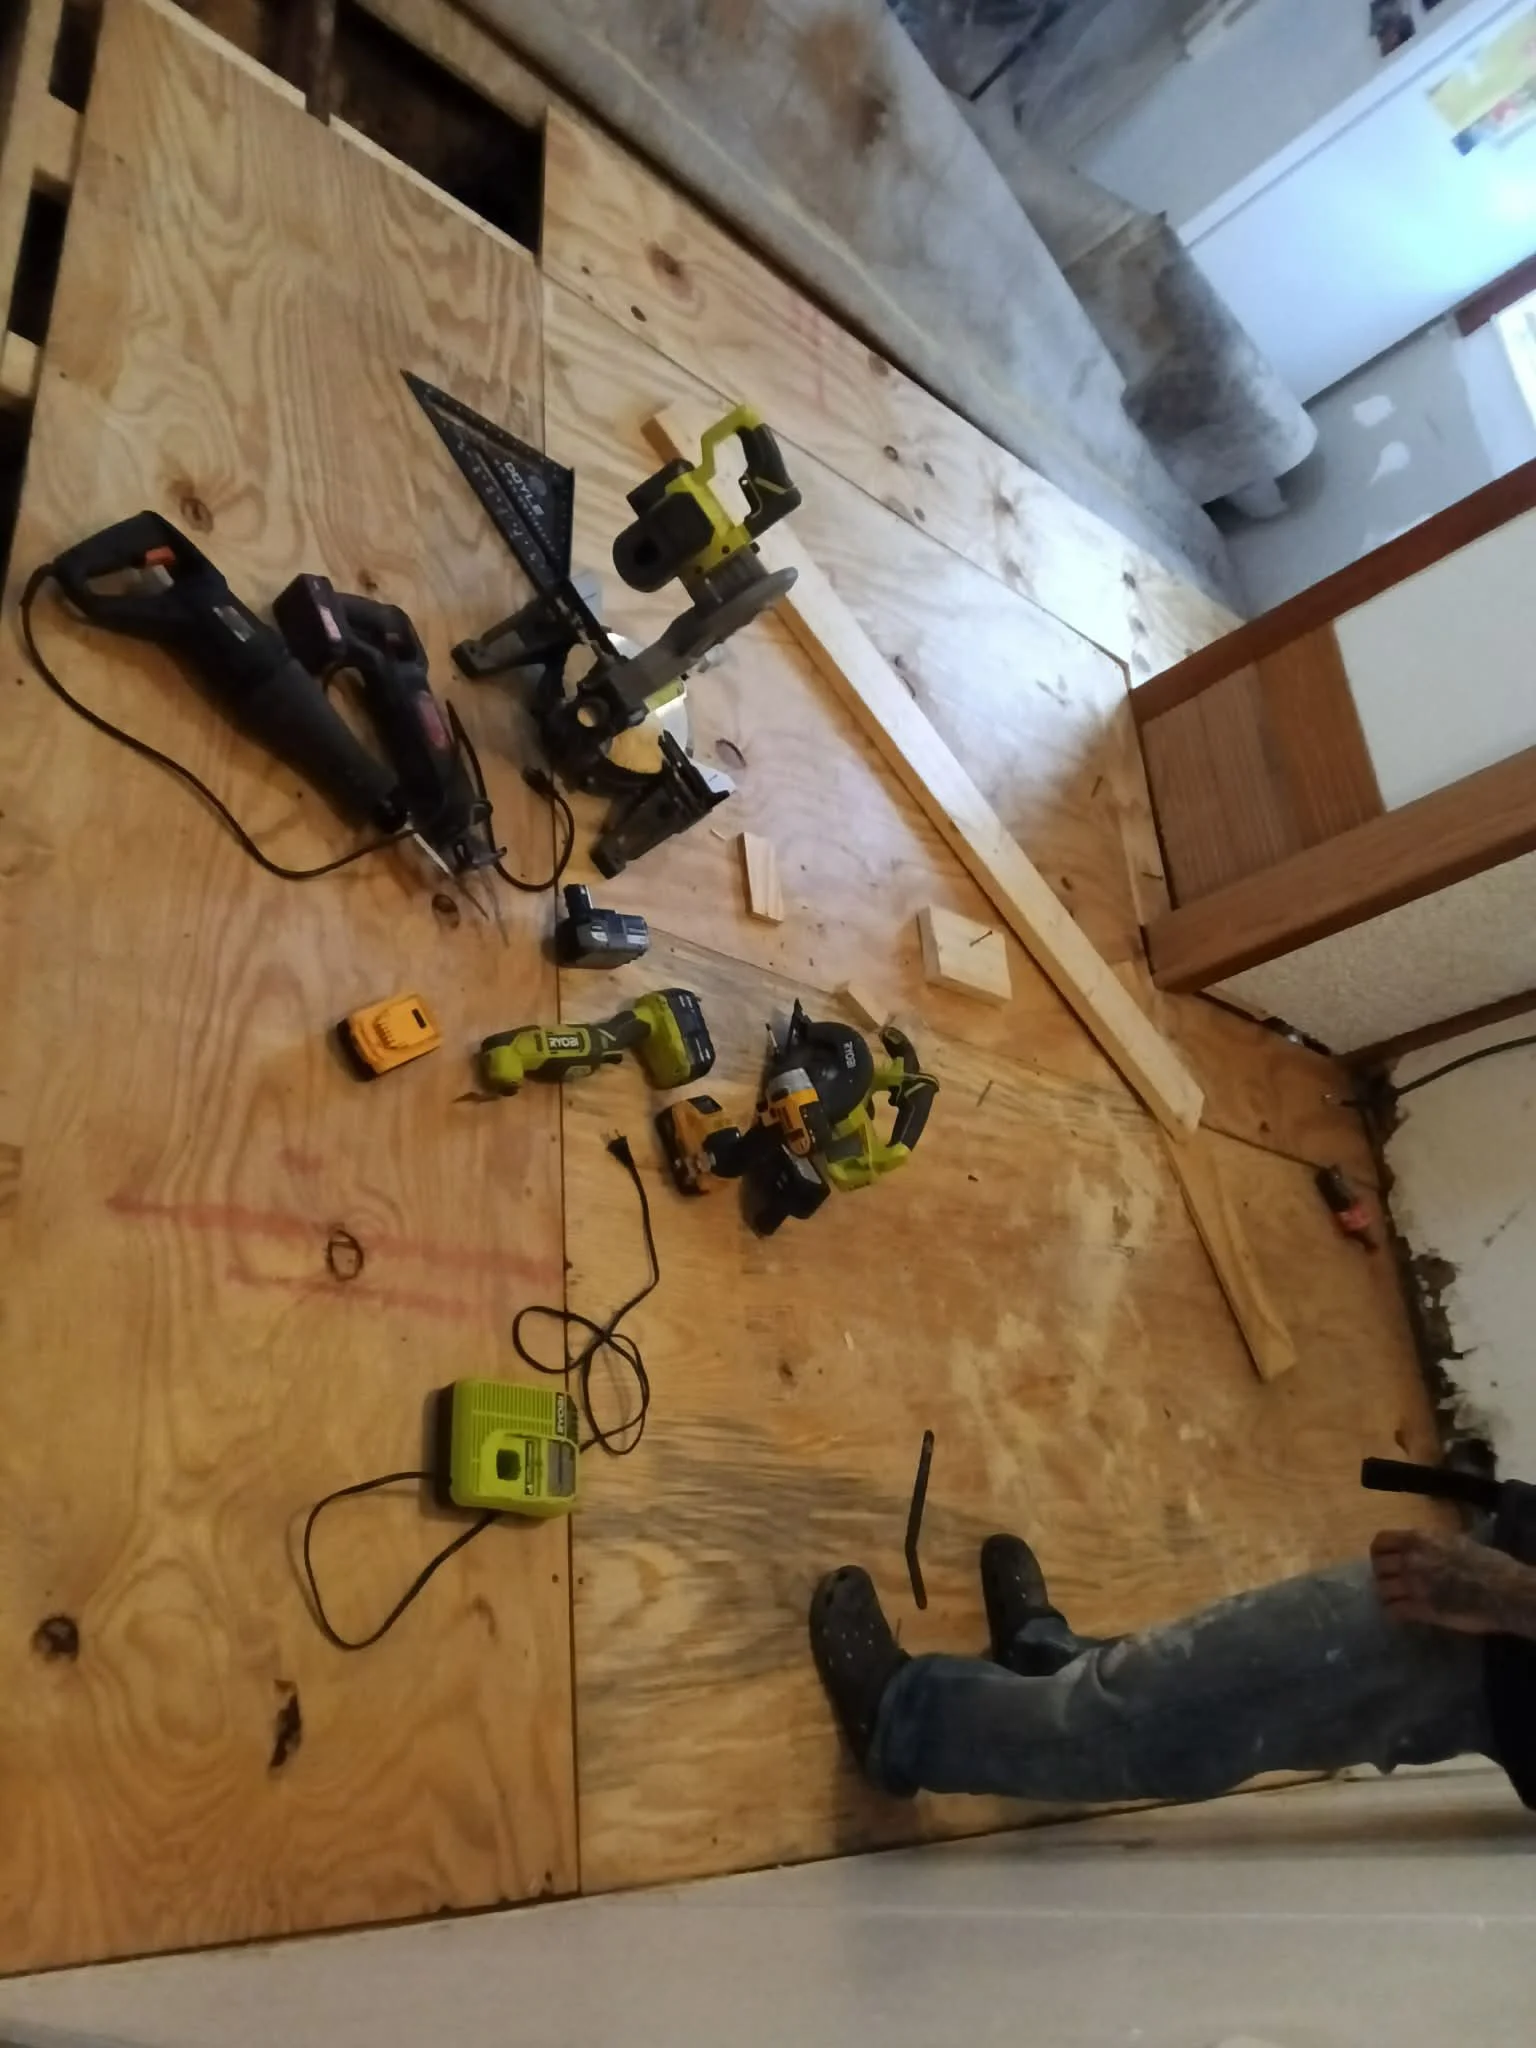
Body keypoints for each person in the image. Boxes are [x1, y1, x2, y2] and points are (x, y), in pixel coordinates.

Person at [808, 1524, 1536, 1808]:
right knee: (1226, 1676)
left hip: (1511, 1649)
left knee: (1198, 1703)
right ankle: (1044, 1663)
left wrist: (1512, 1597)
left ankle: (907, 1721)